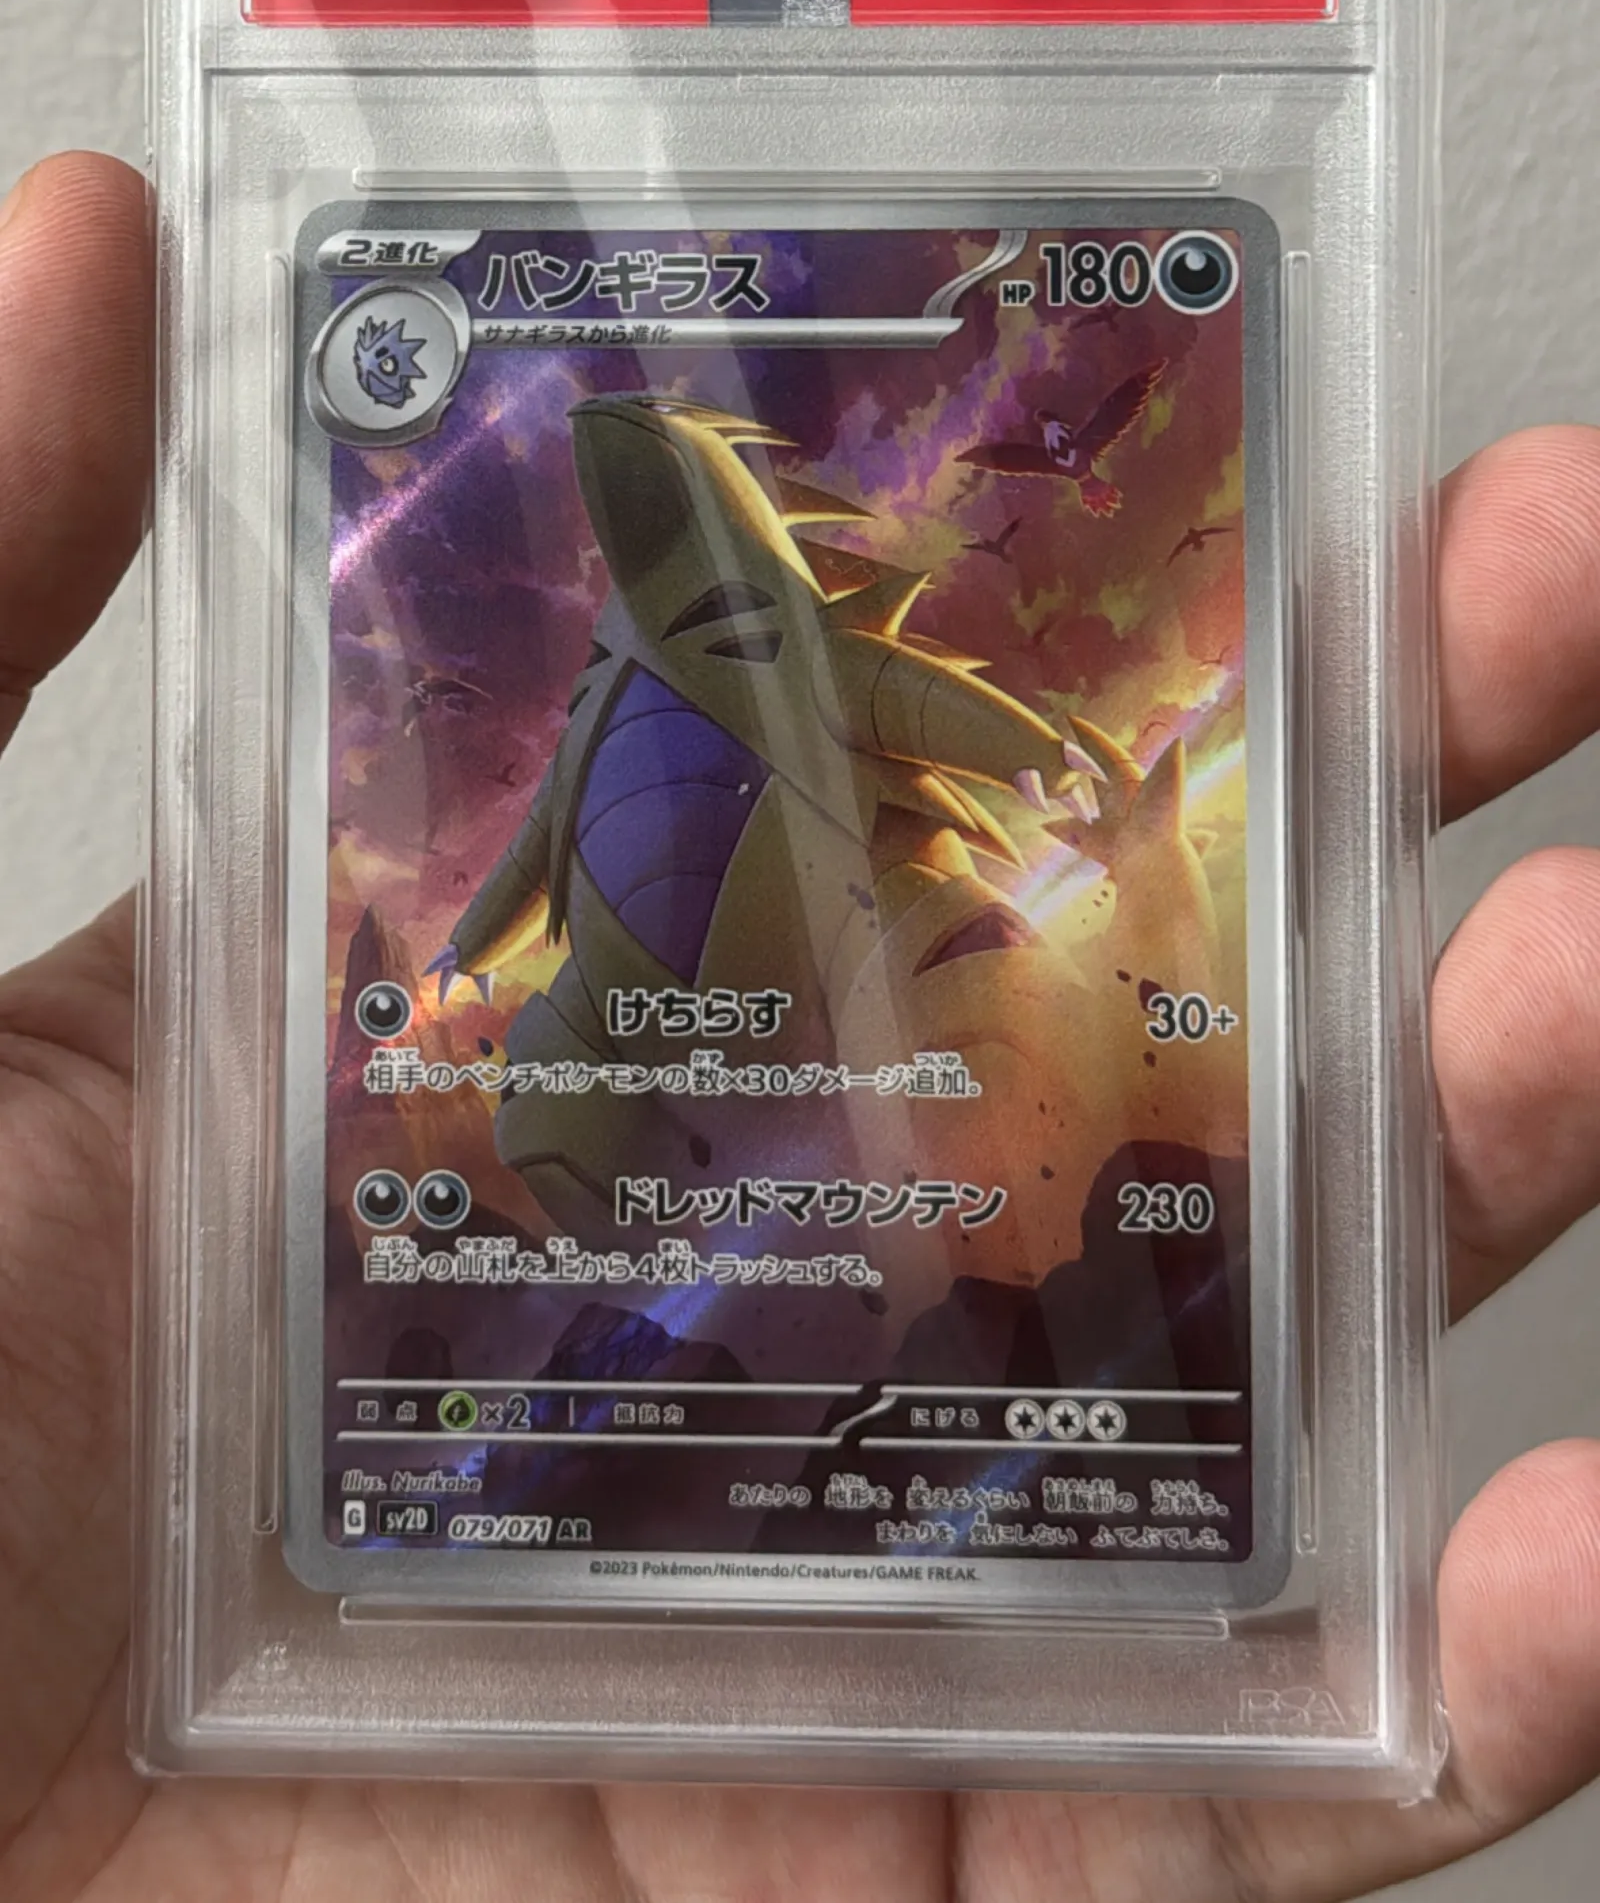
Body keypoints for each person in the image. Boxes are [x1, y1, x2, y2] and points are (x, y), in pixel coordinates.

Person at [2, 149, 1599, 1901]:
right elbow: (538, 846)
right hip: (627, 1002)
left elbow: (907, 697)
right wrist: (463, 947)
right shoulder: (610, 680)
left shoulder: (789, 639)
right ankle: (676, 1321)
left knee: (900, 1145)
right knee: (550, 1115)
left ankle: (813, 1311)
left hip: (822, 983)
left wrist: (1046, 762)